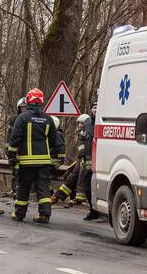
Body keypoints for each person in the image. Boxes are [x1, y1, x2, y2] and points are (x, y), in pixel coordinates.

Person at [7, 88, 61, 223]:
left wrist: (12, 157)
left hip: (26, 162)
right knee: (43, 188)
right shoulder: (48, 119)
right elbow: (55, 142)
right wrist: (55, 160)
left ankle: (19, 214)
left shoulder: (22, 118)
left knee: (23, 188)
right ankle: (44, 215)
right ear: (41, 101)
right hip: (43, 162)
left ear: (29, 101)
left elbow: (14, 139)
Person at [55, 111, 91, 206]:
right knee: (69, 175)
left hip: (86, 159)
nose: (79, 125)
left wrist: (84, 158)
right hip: (80, 158)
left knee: (79, 176)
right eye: (78, 123)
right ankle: (60, 195)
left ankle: (77, 198)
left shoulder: (87, 133)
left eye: (82, 123)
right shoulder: (79, 133)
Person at [81, 101, 101, 221]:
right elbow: (81, 140)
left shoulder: (103, 122)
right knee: (87, 186)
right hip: (88, 160)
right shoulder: (87, 123)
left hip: (101, 160)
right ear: (90, 110)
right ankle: (93, 210)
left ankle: (100, 211)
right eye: (94, 107)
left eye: (98, 107)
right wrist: (81, 156)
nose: (96, 109)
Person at [6, 97, 27, 199]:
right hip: (15, 149)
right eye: (22, 107)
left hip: (26, 150)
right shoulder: (14, 119)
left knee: (24, 172)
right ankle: (14, 190)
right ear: (19, 108)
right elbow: (9, 135)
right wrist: (8, 150)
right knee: (15, 170)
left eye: (26, 107)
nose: (24, 109)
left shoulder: (29, 118)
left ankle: (19, 191)